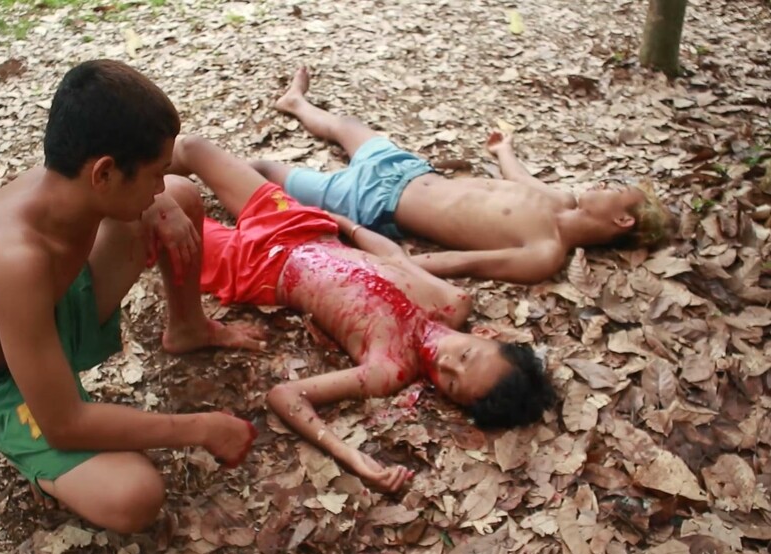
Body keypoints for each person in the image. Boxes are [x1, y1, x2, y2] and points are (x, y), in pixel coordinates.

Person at [0, 60, 263, 534]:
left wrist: (162, 202)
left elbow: (155, 195)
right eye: (154, 174)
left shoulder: (66, 180)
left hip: (50, 313)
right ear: (104, 172)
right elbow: (66, 423)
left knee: (182, 199)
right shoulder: (13, 259)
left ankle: (188, 328)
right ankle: (39, 462)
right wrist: (202, 427)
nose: (158, 185)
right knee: (133, 497)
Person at [178, 135, 557, 493]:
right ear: (486, 335)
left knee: (170, 208)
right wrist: (345, 225)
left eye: (452, 383)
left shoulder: (389, 368)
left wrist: (349, 456)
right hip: (301, 226)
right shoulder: (452, 300)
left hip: (255, 270)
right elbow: (394, 257)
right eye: (466, 356)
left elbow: (285, 395)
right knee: (193, 148)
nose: (446, 364)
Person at [250, 68, 674, 285]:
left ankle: (214, 184)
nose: (603, 183)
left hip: (374, 202)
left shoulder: (545, 253)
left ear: (623, 220)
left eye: (615, 188)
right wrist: (503, 151)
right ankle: (296, 102)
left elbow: (464, 263)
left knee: (265, 170)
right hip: (408, 169)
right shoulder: (560, 199)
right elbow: (520, 181)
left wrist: (391, 264)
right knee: (348, 127)